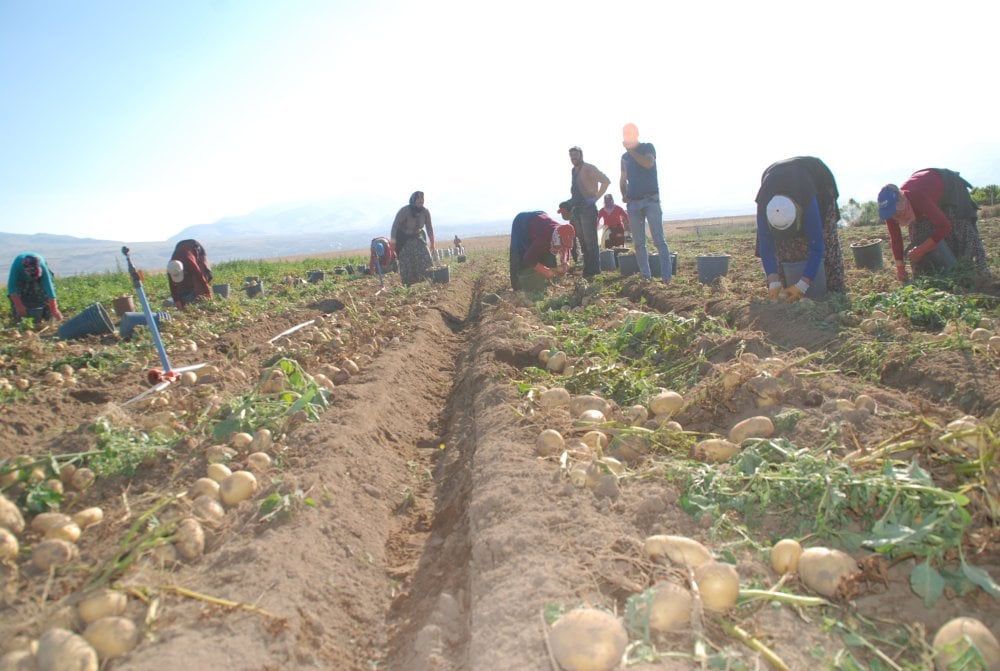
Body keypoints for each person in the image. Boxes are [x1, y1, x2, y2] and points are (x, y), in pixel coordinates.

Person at [755, 156, 846, 301]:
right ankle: (785, 286)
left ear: (799, 213)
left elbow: (817, 246)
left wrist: (803, 285)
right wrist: (773, 280)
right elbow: (766, 246)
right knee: (784, 248)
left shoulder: (809, 203)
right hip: (774, 179)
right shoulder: (764, 205)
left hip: (819, 183)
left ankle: (833, 291)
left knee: (828, 242)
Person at [878, 169, 989, 281]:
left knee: (960, 227)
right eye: (893, 214)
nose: (896, 216)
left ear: (902, 200)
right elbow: (896, 239)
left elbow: (945, 226)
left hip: (949, 188)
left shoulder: (916, 196)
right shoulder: (889, 213)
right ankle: (930, 276)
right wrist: (900, 269)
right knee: (918, 235)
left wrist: (922, 250)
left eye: (898, 212)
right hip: (927, 196)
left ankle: (979, 271)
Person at [620, 123, 671, 282]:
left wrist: (631, 151)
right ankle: (646, 278)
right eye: (625, 133)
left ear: (636, 133)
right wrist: (624, 193)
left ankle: (666, 278)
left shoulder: (648, 147)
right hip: (633, 203)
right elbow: (623, 178)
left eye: (629, 133)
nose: (627, 136)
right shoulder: (624, 157)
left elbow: (648, 163)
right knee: (639, 244)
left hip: (650, 200)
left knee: (658, 240)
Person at [509, 210, 576, 293]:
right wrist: (544, 270)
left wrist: (565, 262)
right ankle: (518, 286)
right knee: (519, 253)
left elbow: (566, 248)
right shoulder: (544, 238)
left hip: (541, 219)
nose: (563, 247)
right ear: (557, 239)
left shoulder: (563, 234)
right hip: (522, 222)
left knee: (549, 257)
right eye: (561, 244)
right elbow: (528, 258)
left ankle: (548, 282)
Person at [568, 146, 610, 277]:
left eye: (575, 155)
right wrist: (569, 204)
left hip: (588, 209)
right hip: (577, 210)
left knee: (591, 241)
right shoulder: (573, 170)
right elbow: (575, 191)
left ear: (581, 155)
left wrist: (595, 198)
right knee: (583, 242)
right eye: (571, 156)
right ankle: (587, 270)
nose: (573, 158)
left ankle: (595, 271)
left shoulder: (588, 168)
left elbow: (606, 181)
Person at [391, 191, 436, 286]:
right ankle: (408, 284)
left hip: (417, 237)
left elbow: (429, 228)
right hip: (403, 239)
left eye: (422, 199)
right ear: (413, 200)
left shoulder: (425, 212)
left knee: (426, 257)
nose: (421, 201)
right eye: (418, 199)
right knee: (406, 261)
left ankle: (428, 280)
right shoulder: (404, 211)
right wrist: (393, 244)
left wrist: (432, 243)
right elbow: (395, 226)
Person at [7, 253, 62, 323]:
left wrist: (54, 309)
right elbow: (11, 288)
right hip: (21, 279)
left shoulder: (42, 266)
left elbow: (49, 287)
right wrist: (19, 306)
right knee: (20, 296)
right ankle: (20, 318)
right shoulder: (17, 266)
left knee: (43, 294)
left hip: (40, 276)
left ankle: (47, 314)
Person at [167, 239, 213, 309]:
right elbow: (172, 286)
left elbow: (200, 276)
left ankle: (202, 299)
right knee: (183, 284)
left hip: (195, 247)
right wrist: (177, 301)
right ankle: (190, 296)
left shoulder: (190, 261)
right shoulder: (171, 267)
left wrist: (208, 293)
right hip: (180, 247)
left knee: (200, 277)